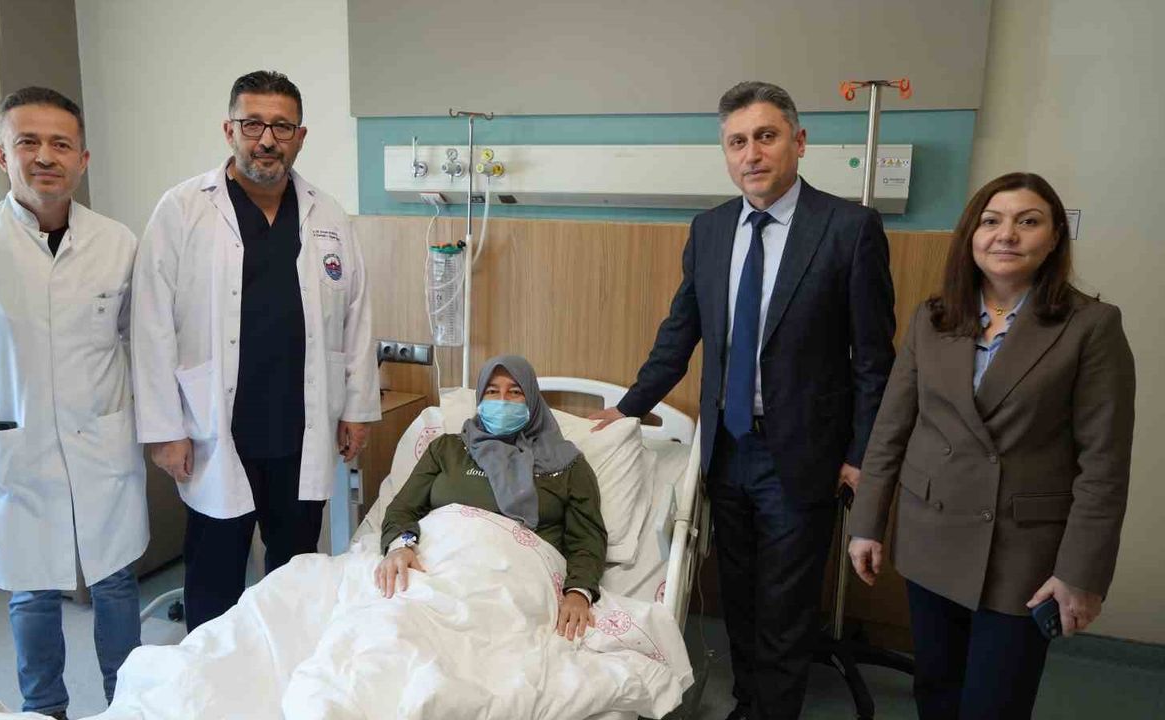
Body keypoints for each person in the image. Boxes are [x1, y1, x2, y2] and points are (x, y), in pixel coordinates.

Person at [590, 81, 896, 720]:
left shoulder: (848, 229)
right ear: (726, 153)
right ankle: (750, 702)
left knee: (785, 605)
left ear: (798, 142)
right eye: (737, 142)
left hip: (802, 453)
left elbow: (873, 359)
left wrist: (862, 452)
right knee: (741, 596)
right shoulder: (710, 230)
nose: (751, 154)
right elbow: (680, 331)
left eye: (766, 136)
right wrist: (629, 407)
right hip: (727, 448)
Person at [847, 172, 1136, 719]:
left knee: (995, 704)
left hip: (1022, 554)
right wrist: (867, 523)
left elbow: (1104, 466)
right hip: (932, 535)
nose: (1006, 234)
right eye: (991, 221)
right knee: (935, 691)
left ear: (1054, 238)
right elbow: (891, 428)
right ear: (971, 236)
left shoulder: (1090, 327)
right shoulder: (934, 318)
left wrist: (1081, 574)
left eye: (1028, 221)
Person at [0, 87, 146, 719]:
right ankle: (44, 709)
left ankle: (130, 703)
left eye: (61, 144)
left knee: (116, 581)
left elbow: (134, 338)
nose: (46, 156)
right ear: (2, 154)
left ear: (83, 159)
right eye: (29, 142)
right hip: (18, 445)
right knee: (32, 590)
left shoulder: (117, 243)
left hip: (101, 442)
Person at [132, 70, 381, 630]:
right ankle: (209, 670)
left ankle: (287, 668)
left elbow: (357, 315)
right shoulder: (182, 209)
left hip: (300, 424)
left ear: (300, 136)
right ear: (229, 130)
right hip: (217, 425)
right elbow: (150, 324)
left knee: (295, 572)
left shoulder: (327, 214)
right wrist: (164, 428)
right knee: (214, 572)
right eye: (252, 124)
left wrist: (358, 407)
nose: (266, 139)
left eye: (281, 126)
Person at [378, 355, 607, 640]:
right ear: (480, 398)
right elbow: (403, 508)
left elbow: (587, 540)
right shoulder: (446, 449)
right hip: (435, 568)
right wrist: (401, 546)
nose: (503, 401)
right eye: (492, 391)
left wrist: (578, 592)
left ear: (532, 400)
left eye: (515, 392)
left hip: (511, 583)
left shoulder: (567, 465)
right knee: (391, 629)